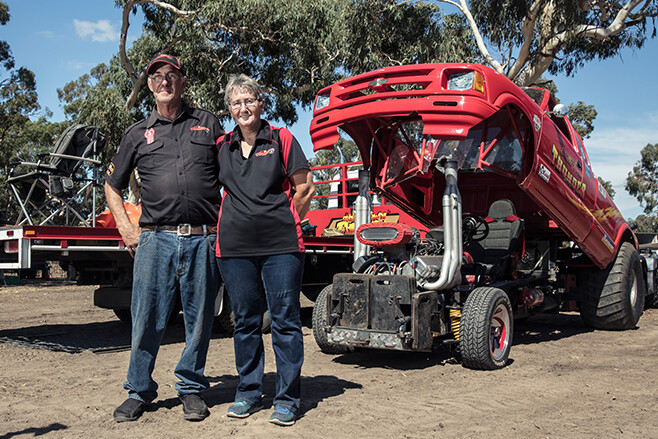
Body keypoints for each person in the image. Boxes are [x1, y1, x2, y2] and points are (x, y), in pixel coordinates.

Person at [105, 54, 224, 423]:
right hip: (155, 240)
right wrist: (126, 228)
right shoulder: (137, 133)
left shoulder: (208, 124)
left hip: (203, 239)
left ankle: (190, 387)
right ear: (150, 85)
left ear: (183, 81)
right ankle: (139, 390)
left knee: (200, 319)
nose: (163, 81)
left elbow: (233, 176)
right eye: (156, 76)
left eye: (171, 75)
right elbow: (112, 185)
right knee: (146, 318)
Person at [216, 74, 315, 426]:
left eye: (249, 100)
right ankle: (248, 391)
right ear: (230, 109)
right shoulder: (222, 146)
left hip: (281, 248)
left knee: (285, 321)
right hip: (234, 249)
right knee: (244, 322)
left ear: (261, 104)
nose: (243, 108)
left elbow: (304, 190)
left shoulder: (283, 139)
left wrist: (284, 222)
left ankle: (287, 398)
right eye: (236, 102)